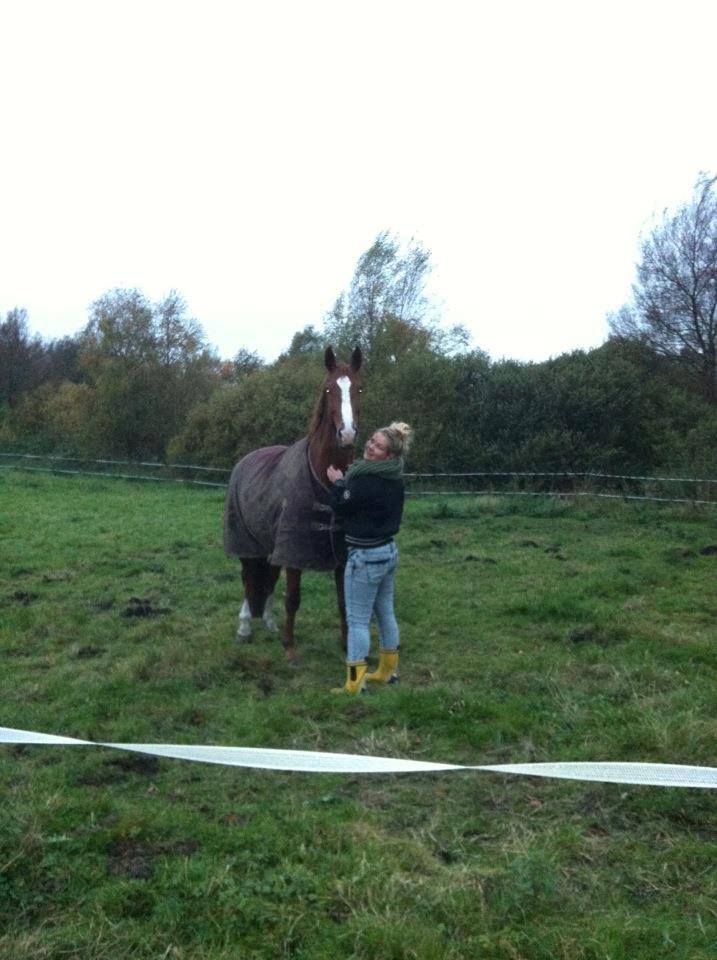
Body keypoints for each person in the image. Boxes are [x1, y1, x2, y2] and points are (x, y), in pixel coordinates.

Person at [326, 421, 413, 694]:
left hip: (364, 557)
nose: (370, 446)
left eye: (378, 446)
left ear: (388, 455)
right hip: (388, 552)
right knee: (385, 612)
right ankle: (388, 672)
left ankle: (355, 682)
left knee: (357, 621)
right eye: (372, 441)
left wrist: (338, 483)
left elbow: (341, 506)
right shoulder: (394, 477)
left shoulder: (364, 479)